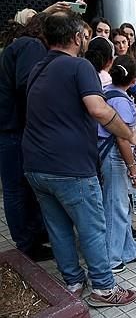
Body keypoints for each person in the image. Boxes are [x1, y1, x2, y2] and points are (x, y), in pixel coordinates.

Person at [22, 11, 136, 305]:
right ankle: (103, 288)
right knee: (91, 227)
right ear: (77, 37)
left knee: (59, 227)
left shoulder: (37, 68)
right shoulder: (79, 67)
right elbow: (99, 110)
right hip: (70, 167)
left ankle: (73, 282)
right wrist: (131, 134)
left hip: (35, 164)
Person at [0, 13, 52, 262]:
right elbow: (27, 84)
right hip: (13, 128)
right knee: (17, 189)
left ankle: (32, 236)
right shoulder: (32, 46)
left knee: (20, 188)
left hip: (10, 127)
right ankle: (26, 244)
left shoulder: (21, 44)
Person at [98, 55, 136, 274]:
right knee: (115, 205)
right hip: (114, 157)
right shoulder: (121, 100)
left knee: (121, 204)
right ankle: (112, 257)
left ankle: (129, 248)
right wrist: (133, 169)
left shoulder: (109, 92)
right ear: (134, 78)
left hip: (107, 154)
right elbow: (122, 138)